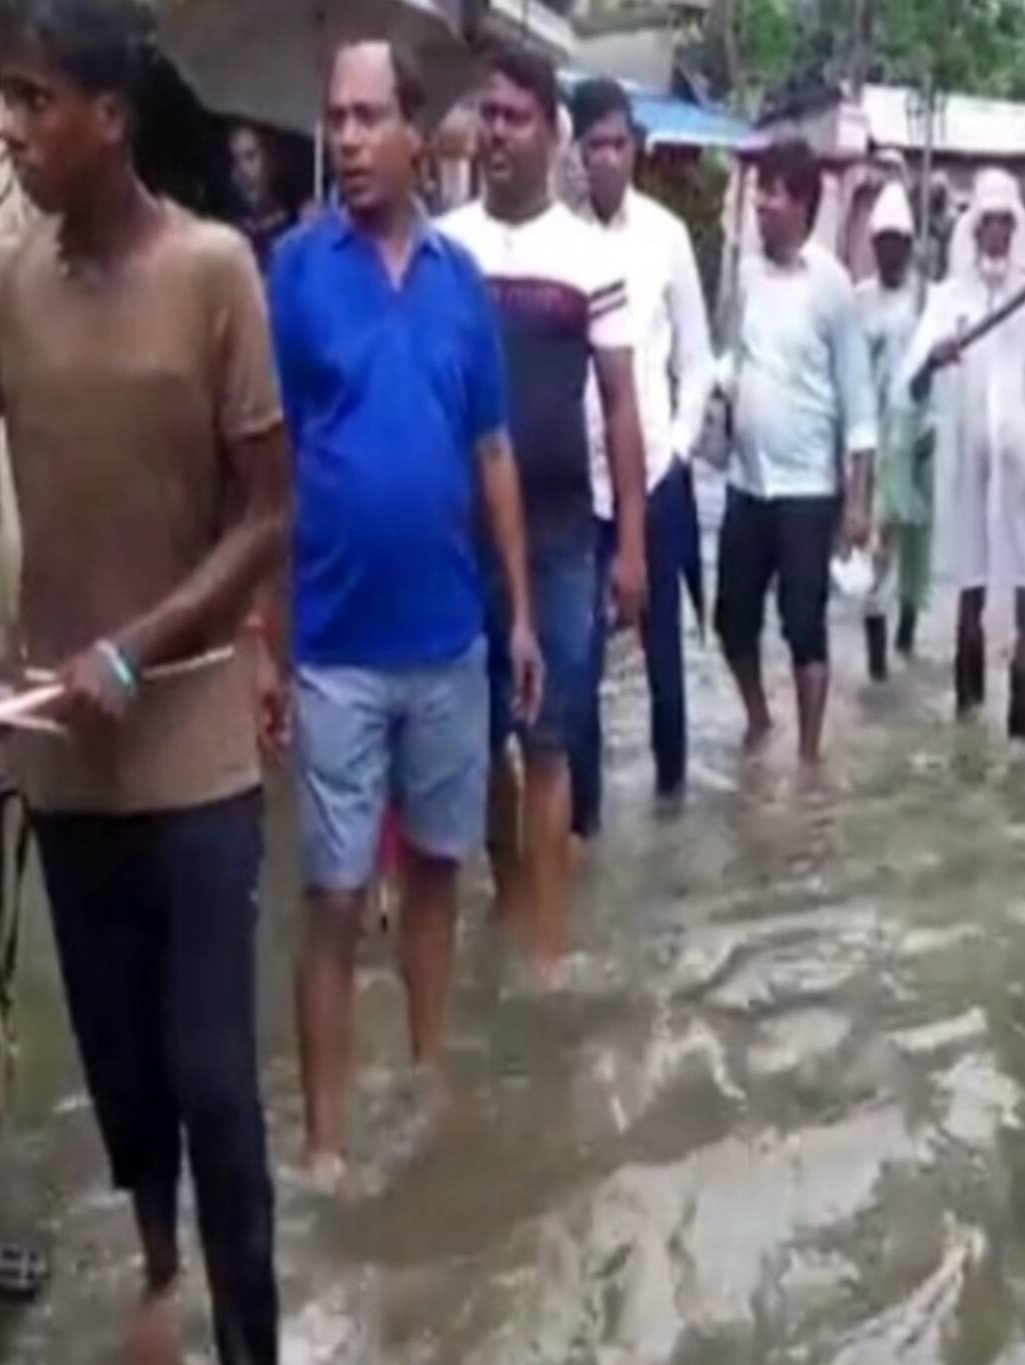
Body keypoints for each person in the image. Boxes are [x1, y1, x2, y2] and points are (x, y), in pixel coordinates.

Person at [0, 3, 284, 1360]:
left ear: (111, 118)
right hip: (65, 750)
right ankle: (160, 1264)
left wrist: (138, 646)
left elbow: (267, 516)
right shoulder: (5, 287)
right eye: (9, 102)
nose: (11, 126)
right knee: (120, 1066)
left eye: (36, 102)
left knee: (218, 1081)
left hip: (198, 739)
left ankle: (250, 1335)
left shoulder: (217, 272)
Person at [269, 40, 544, 1184]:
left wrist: (519, 614)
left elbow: (492, 453)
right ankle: (327, 1145)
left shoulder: (458, 287)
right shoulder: (292, 271)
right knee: (333, 895)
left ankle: (431, 1091)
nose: (343, 139)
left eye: (365, 117)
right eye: (332, 116)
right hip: (333, 645)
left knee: (435, 872)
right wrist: (260, 646)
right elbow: (264, 465)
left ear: (415, 134)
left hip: (448, 640)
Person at [439, 52, 647, 964]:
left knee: (552, 736)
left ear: (549, 135)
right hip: (456, 537)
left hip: (563, 535)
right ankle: (511, 897)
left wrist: (632, 544)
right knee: (479, 743)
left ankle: (549, 956)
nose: (494, 133)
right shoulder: (444, 249)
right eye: (487, 115)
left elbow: (622, 404)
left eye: (515, 118)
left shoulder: (590, 257)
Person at [571, 77, 714, 820]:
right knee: (579, 663)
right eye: (593, 144)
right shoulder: (555, 244)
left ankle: (671, 805)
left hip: (656, 475)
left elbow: (697, 358)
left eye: (618, 144)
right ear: (576, 150)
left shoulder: (666, 237)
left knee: (664, 658)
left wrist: (682, 447)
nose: (606, 159)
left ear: (636, 149)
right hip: (577, 486)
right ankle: (585, 822)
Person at [716, 138, 874, 763]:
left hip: (809, 487)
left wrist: (857, 502)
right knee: (732, 620)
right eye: (758, 192)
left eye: (773, 194)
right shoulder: (748, 277)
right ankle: (759, 719)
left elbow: (859, 401)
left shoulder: (833, 287)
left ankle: (809, 755)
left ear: (803, 203)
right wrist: (714, 385)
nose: (760, 205)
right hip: (746, 482)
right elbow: (735, 354)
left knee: (803, 626)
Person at [904, 168, 1025, 740]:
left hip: (1022, 459)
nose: (996, 234)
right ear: (973, 230)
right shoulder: (948, 299)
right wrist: (936, 359)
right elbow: (911, 385)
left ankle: (1022, 734)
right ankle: (967, 724)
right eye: (987, 223)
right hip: (965, 461)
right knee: (969, 588)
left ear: (1015, 230)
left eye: (1005, 224)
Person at [854, 180, 932, 679]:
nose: (889, 253)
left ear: (908, 245)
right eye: (880, 243)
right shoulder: (858, 300)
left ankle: (906, 641)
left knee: (916, 552)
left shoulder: (927, 298)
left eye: (896, 243)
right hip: (877, 442)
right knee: (874, 558)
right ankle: (878, 670)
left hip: (922, 438)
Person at [230, 122, 293, 271]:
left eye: (250, 157)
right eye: (235, 160)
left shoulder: (294, 225)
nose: (243, 170)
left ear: (269, 160)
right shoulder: (228, 230)